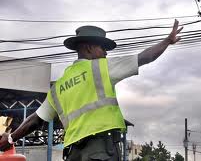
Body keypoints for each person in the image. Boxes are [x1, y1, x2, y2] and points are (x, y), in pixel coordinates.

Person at [0, 19, 183, 161]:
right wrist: (167, 41)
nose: (106, 52)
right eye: (102, 47)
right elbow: (144, 57)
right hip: (101, 149)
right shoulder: (102, 68)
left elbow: (35, 120)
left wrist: (10, 138)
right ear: (88, 48)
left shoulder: (59, 86)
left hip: (73, 154)